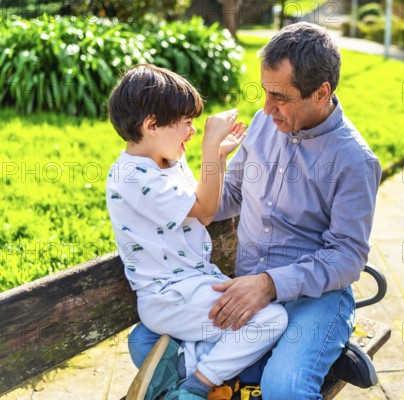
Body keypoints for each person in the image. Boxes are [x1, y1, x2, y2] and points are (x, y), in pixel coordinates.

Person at [128, 22, 383, 399]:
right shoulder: (265, 124)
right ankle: (311, 358)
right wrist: (168, 192)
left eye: (280, 96)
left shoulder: (354, 160)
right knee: (144, 341)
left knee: (284, 389)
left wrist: (269, 285)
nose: (266, 108)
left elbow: (348, 257)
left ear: (321, 92)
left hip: (313, 300)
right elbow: (228, 196)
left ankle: (299, 354)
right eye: (265, 92)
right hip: (246, 291)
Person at [106, 64, 288, 400]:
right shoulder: (133, 177)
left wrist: (216, 156)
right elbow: (204, 210)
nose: (193, 131)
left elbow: (201, 209)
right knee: (271, 320)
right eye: (187, 123)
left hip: (192, 286)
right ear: (151, 125)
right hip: (170, 296)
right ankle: (196, 386)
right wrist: (209, 147)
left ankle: (181, 369)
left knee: (252, 326)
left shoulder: (167, 162)